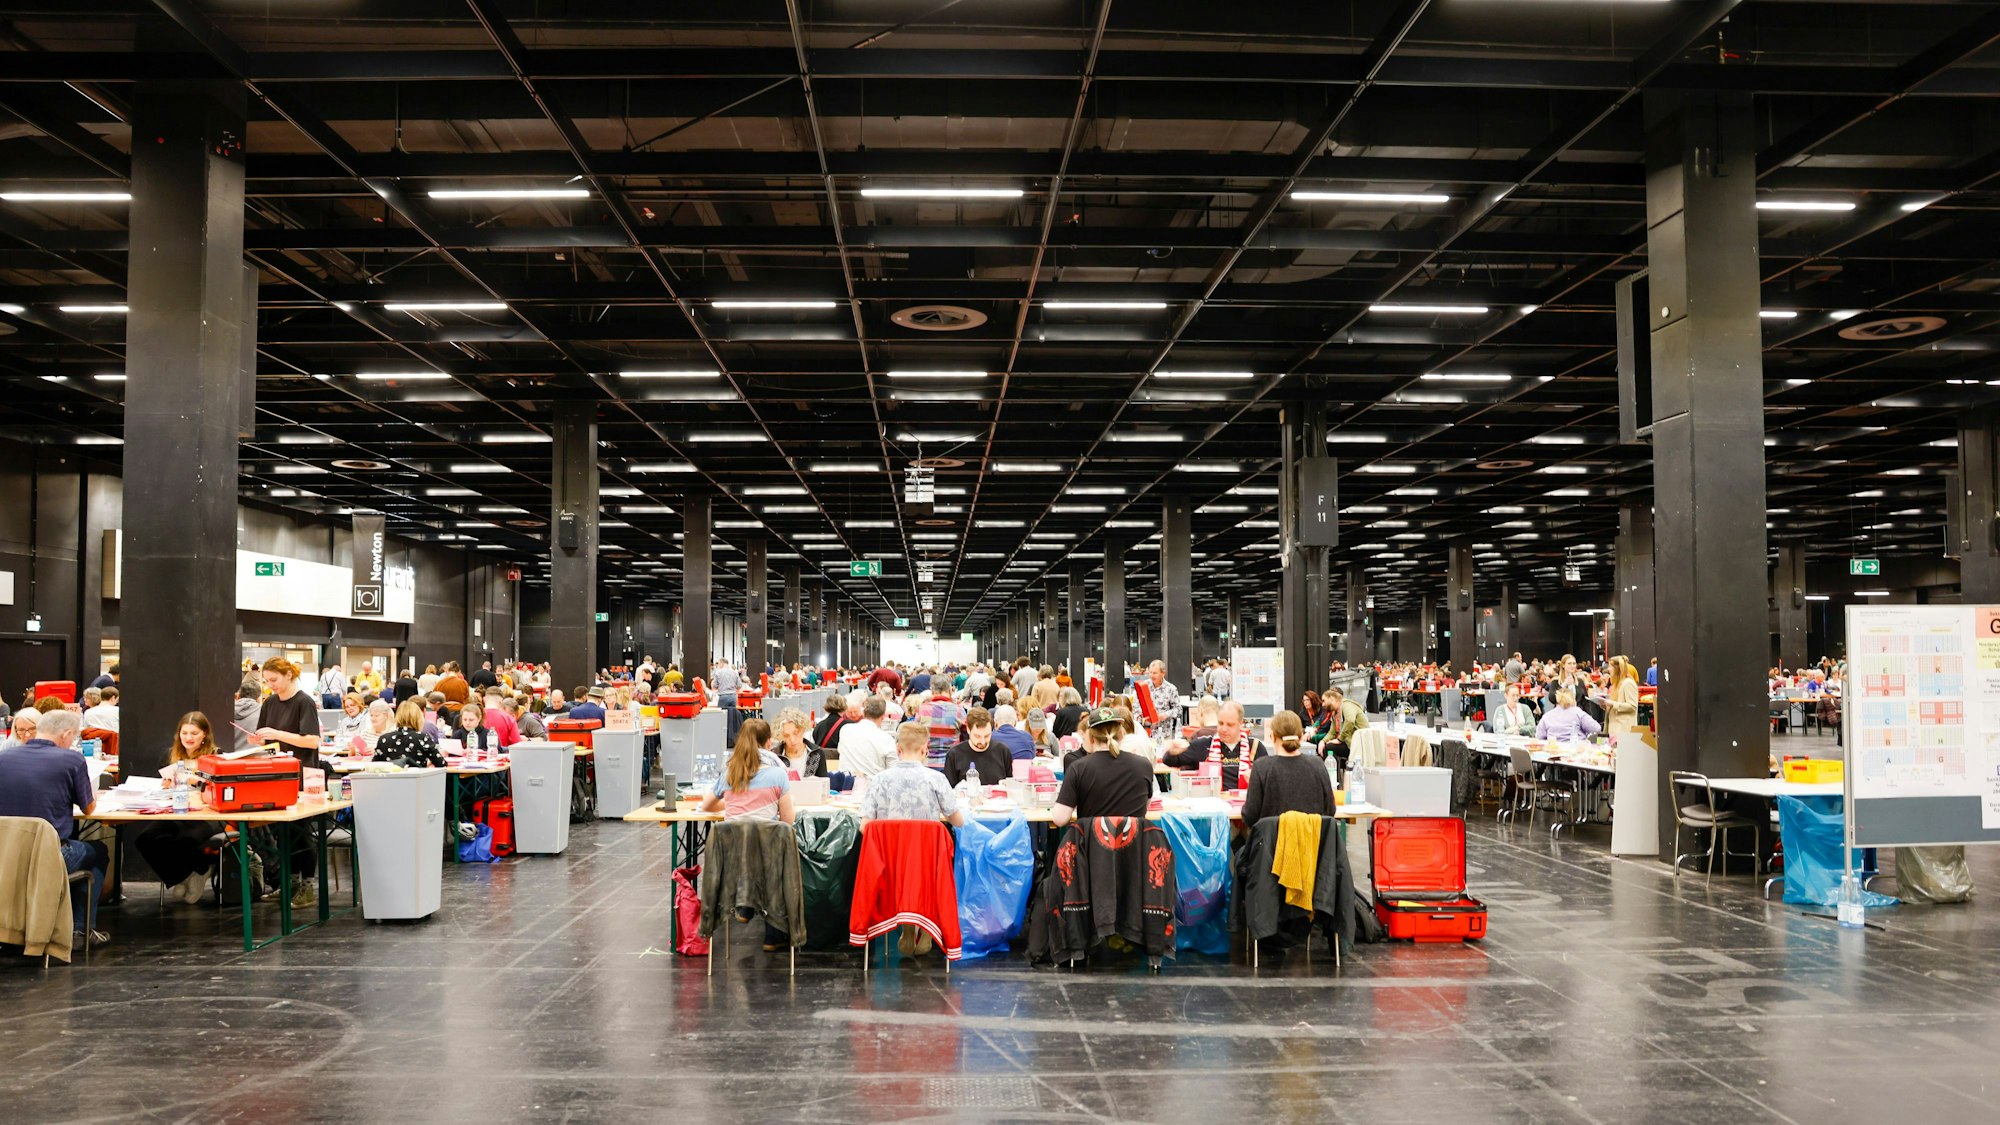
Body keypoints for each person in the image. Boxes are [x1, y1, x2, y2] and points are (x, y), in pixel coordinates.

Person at [0, 709, 108, 947]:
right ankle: (80, 931)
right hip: (49, 856)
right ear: (66, 735)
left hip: (5, 856)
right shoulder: (72, 760)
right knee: (97, 851)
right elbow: (89, 809)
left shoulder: (3, 758)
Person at [861, 722, 963, 958]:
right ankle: (926, 928)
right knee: (932, 868)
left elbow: (865, 828)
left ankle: (907, 927)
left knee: (903, 874)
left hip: (890, 865)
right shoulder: (935, 779)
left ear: (898, 748)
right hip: (927, 863)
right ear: (925, 749)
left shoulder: (880, 780)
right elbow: (958, 821)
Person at [137, 712, 222, 905]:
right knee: (146, 839)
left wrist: (197, 782)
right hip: (175, 811)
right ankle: (184, 876)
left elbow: (221, 791)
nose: (188, 738)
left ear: (205, 735)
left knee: (187, 839)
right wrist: (165, 785)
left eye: (194, 733)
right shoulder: (169, 755)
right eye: (184, 733)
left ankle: (200, 870)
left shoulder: (217, 756)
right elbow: (161, 786)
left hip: (207, 815)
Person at [1051, 707, 1156, 826]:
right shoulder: (1143, 765)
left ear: (1090, 738)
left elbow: (1060, 819)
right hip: (1134, 842)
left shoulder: (1078, 768)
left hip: (1092, 842)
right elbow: (1144, 806)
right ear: (1122, 735)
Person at [1241, 711, 1336, 825]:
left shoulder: (1261, 768)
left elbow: (1250, 816)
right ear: (1301, 737)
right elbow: (1330, 811)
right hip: (1312, 841)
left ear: (1273, 737)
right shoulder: (1318, 765)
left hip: (1272, 841)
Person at [699, 719, 796, 824]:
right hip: (767, 839)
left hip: (733, 839)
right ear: (769, 742)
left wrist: (730, 804)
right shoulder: (779, 776)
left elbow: (706, 806)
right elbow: (788, 820)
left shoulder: (730, 774)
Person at [1161, 700, 1265, 789]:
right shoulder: (1203, 745)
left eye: (1230, 725)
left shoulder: (1255, 747)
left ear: (1240, 724)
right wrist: (1171, 751)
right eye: (1220, 723)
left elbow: (1269, 780)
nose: (1224, 729)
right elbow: (1169, 760)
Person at [943, 707, 1011, 787]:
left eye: (987, 736)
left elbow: (1010, 785)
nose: (983, 741)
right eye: (977, 736)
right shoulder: (954, 755)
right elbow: (949, 792)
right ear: (968, 730)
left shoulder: (1003, 751)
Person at [835, 695, 896, 777]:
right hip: (873, 786)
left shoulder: (845, 730)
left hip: (846, 785)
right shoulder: (887, 739)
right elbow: (892, 772)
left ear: (863, 713)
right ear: (883, 716)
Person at [374, 701, 446, 767]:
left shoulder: (384, 739)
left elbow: (375, 765)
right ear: (418, 718)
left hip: (390, 779)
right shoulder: (422, 738)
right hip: (416, 779)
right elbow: (441, 763)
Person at [773, 708, 826, 778]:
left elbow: (824, 784)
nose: (792, 740)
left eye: (796, 733)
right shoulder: (775, 756)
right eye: (786, 736)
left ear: (803, 729)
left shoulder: (817, 753)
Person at [918, 690, 964, 766]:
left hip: (927, 761)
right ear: (949, 691)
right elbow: (965, 736)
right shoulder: (959, 710)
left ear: (932, 691)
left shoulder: (922, 709)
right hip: (951, 762)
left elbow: (915, 734)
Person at [1536, 689, 1602, 742]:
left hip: (1554, 750)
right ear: (1573, 699)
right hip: (1577, 750)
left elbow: (1539, 736)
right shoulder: (1578, 713)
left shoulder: (1547, 716)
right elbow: (1596, 729)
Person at [1141, 660, 1181, 742]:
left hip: (1164, 735)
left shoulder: (1171, 689)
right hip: (1145, 734)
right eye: (1150, 672)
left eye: (1155, 673)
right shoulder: (1144, 686)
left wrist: (1165, 715)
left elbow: (1178, 710)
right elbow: (1136, 706)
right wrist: (1140, 717)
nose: (1151, 675)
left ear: (1163, 673)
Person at [1604, 655, 1641, 739]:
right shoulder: (1615, 685)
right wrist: (1605, 705)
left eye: (1610, 666)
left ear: (1617, 668)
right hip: (1614, 729)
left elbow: (1632, 706)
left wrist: (1613, 704)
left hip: (1624, 730)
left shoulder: (1628, 683)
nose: (1608, 669)